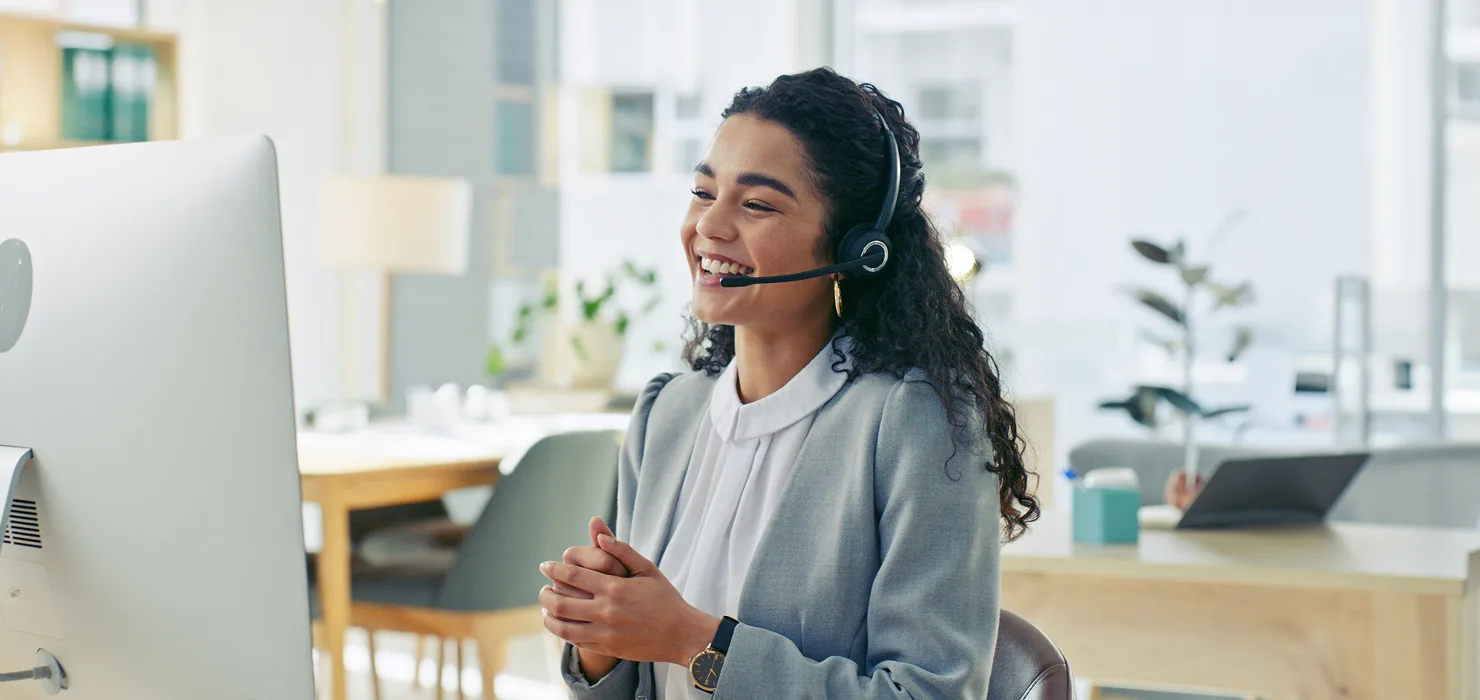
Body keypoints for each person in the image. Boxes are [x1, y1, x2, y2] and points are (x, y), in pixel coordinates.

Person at [536, 67, 1039, 700]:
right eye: (702, 191)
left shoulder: (915, 421)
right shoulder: (669, 412)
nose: (709, 227)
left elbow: (926, 694)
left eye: (757, 204)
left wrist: (693, 641)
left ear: (857, 248)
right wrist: (603, 647)